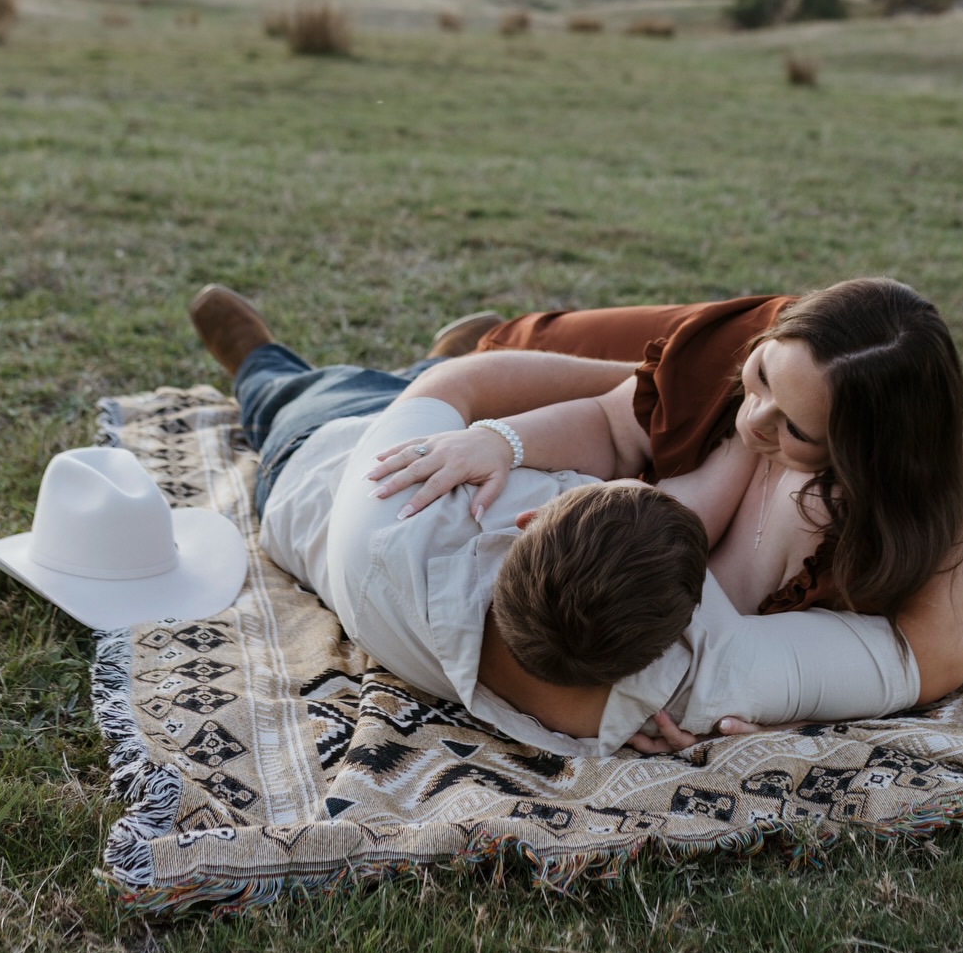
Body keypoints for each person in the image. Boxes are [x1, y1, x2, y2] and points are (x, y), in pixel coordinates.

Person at [189, 285, 925, 758]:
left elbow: (450, 395)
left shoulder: (394, 513)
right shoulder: (690, 689)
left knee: (309, 396)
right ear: (688, 617)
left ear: (531, 517)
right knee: (378, 386)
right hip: (378, 444)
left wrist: (498, 427)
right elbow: (910, 658)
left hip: (323, 469)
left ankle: (260, 364)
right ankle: (331, 359)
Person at [369, 281, 963, 729]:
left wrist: (749, 702)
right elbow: (615, 424)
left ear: (862, 458)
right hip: (679, 360)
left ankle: (388, 383)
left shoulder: (887, 525)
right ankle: (439, 363)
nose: (753, 421)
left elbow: (931, 664)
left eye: (794, 429)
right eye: (763, 380)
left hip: (828, 427)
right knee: (512, 353)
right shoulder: (755, 361)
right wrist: (504, 439)